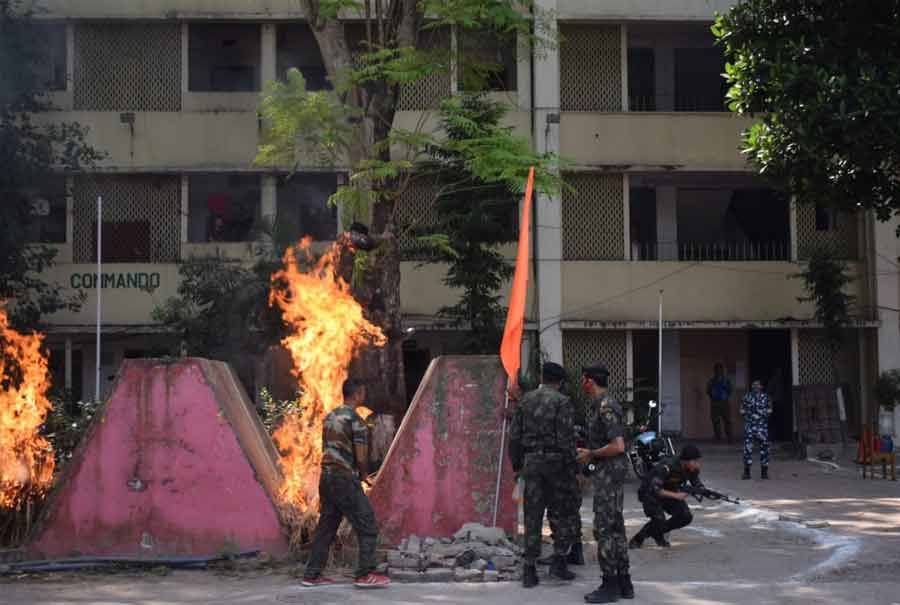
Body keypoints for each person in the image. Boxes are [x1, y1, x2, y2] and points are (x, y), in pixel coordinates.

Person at [301, 379, 390, 588]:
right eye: (363, 393)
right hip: (344, 479)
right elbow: (360, 456)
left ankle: (312, 575)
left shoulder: (329, 417)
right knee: (367, 524)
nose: (364, 396)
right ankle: (365, 574)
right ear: (358, 394)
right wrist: (365, 476)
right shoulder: (356, 420)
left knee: (326, 527)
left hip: (326, 478)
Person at [508, 362, 580, 588]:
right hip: (556, 464)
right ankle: (559, 562)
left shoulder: (526, 400)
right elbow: (567, 440)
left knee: (532, 515)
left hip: (531, 463)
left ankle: (529, 569)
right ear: (559, 382)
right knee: (560, 513)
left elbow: (514, 438)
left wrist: (518, 466)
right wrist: (572, 469)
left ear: (541, 377)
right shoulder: (562, 402)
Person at [578, 364, 634, 603]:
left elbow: (618, 445)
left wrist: (591, 453)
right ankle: (624, 582)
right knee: (616, 527)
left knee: (604, 528)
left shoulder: (605, 406)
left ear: (589, 381)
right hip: (608, 472)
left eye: (583, 379)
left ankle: (610, 584)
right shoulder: (601, 405)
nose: (582, 383)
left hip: (609, 474)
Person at [629, 444, 704, 550]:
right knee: (659, 520)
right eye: (695, 461)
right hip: (649, 493)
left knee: (685, 517)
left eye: (698, 461)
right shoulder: (668, 466)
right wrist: (677, 495)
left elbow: (697, 483)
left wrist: (703, 491)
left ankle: (658, 532)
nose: (698, 465)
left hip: (668, 492)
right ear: (685, 461)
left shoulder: (692, 469)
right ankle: (638, 539)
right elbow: (655, 489)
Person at [741, 379, 772, 480]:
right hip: (750, 426)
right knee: (747, 449)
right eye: (754, 385)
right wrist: (749, 415)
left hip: (762, 427)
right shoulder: (746, 397)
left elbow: (770, 410)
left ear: (761, 387)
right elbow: (741, 410)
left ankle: (764, 472)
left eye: (757, 385)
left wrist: (761, 414)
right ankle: (747, 473)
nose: (755, 387)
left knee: (765, 449)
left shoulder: (766, 397)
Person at [706, 363, 733, 442]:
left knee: (727, 420)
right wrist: (713, 395)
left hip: (724, 403)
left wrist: (724, 395)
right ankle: (718, 438)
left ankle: (729, 438)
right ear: (714, 371)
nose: (718, 372)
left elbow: (730, 390)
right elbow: (708, 391)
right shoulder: (711, 381)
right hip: (715, 403)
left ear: (722, 371)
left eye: (720, 370)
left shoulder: (726, 380)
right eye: (717, 370)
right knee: (715, 421)